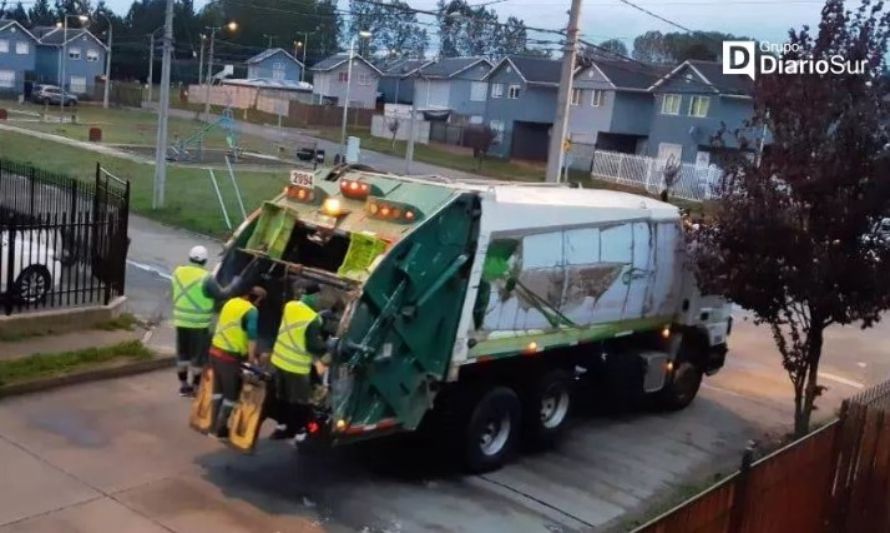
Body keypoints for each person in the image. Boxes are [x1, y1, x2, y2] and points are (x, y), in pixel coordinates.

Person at [170, 246, 248, 397]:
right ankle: (194, 386)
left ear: (190, 257)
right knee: (198, 357)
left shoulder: (178, 272)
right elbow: (222, 294)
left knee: (182, 354)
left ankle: (183, 386)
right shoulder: (206, 278)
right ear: (205, 260)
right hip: (199, 324)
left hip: (181, 321)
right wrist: (235, 284)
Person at [268, 282, 329, 444]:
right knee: (300, 401)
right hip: (296, 366)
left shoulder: (289, 306)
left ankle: (281, 427)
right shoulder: (313, 319)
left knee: (282, 396)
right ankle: (299, 431)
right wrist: (328, 346)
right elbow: (313, 345)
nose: (318, 300)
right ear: (314, 296)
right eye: (318, 296)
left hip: (279, 360)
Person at [209, 286, 266, 440]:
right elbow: (252, 336)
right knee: (231, 395)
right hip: (229, 357)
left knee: (217, 391)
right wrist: (252, 359)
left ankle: (211, 424)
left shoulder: (231, 302)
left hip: (215, 350)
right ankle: (219, 429)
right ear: (258, 300)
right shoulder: (251, 311)